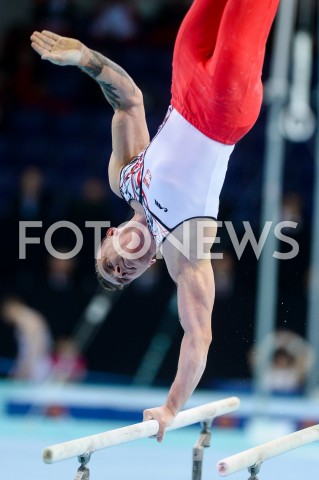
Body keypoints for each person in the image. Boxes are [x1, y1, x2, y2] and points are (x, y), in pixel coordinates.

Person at [30, 0, 280, 441]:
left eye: (110, 263)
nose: (121, 268)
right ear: (149, 267)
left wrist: (84, 57)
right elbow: (197, 338)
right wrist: (170, 406)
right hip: (224, 108)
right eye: (125, 274)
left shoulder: (122, 180)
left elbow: (127, 101)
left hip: (184, 84)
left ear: (109, 236)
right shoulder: (185, 252)